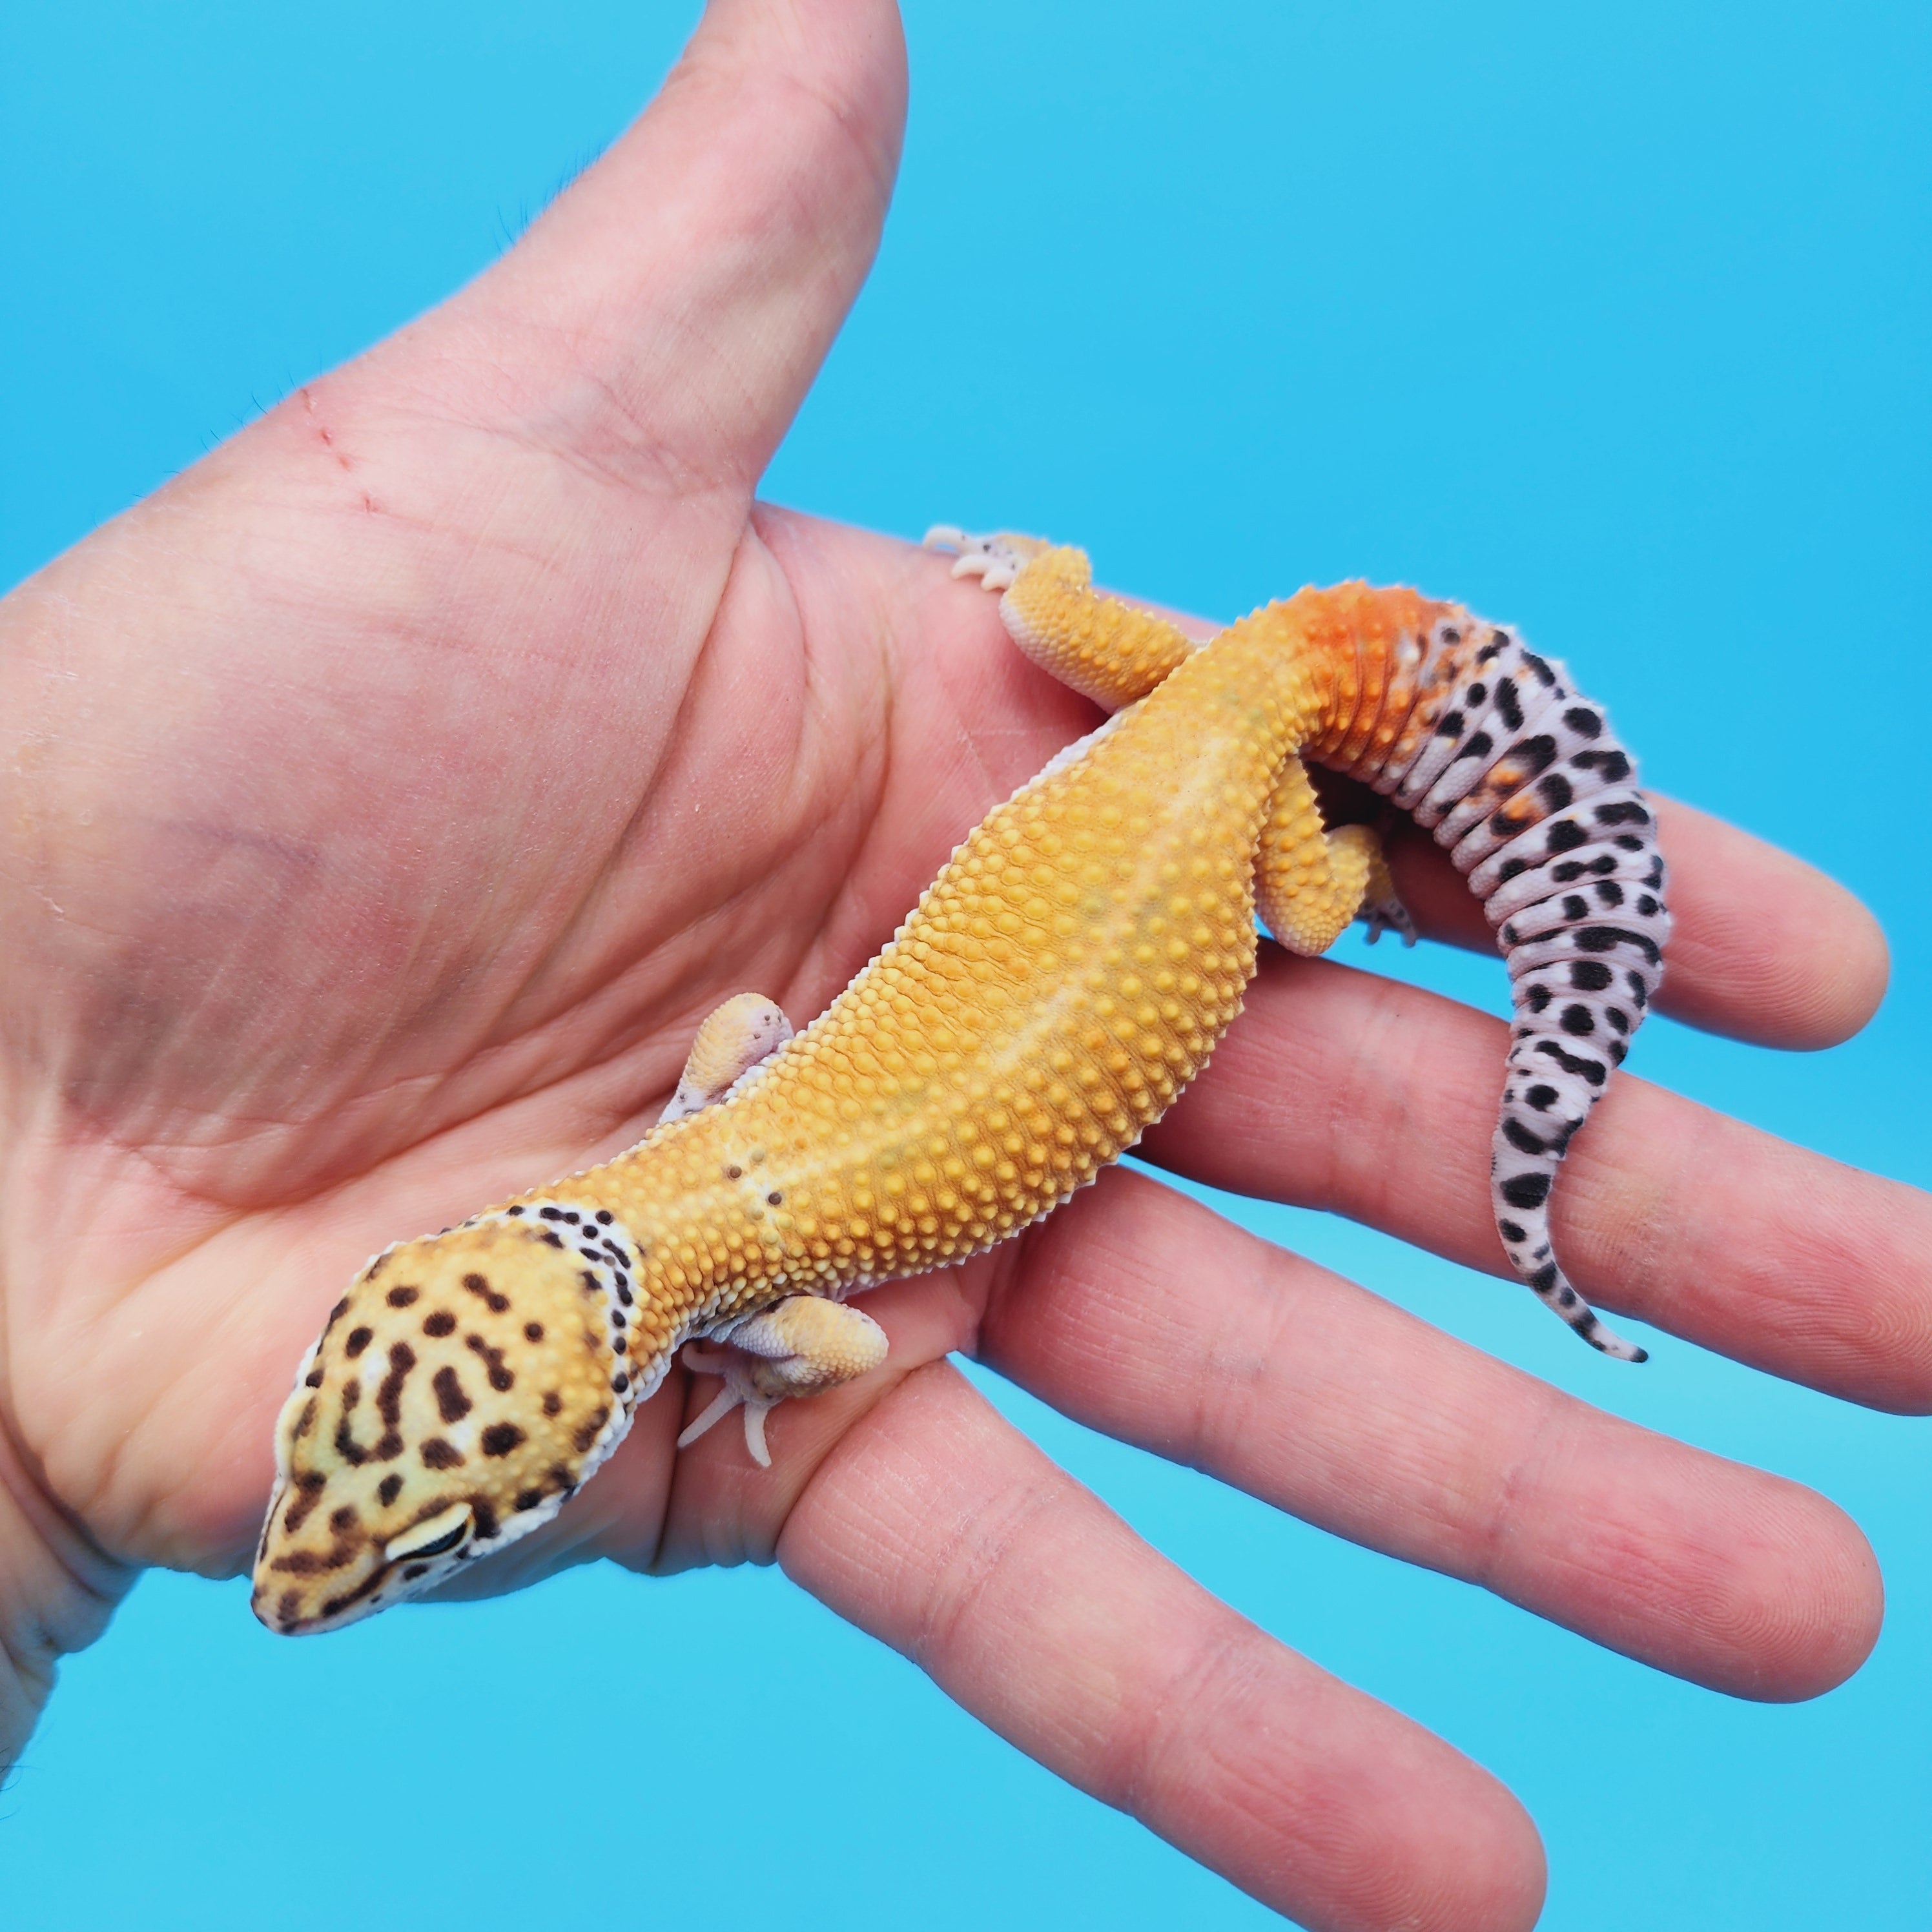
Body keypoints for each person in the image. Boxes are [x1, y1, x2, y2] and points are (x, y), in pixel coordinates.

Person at [0, 5, 1917, 1928]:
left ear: (544, 1391)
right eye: (429, 1517)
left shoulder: (775, 1302)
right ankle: (1217, 689)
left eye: (443, 1522)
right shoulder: (687, 1179)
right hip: (1188, 720)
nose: (327, 1562)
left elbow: (829, 1338)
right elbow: (748, 1043)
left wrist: (1331, 832)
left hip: (1247, 761)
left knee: (1328, 914)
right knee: (1237, 756)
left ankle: (1365, 823)